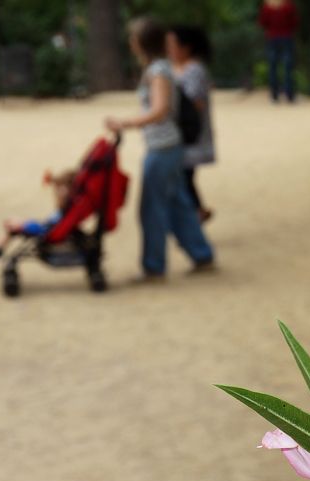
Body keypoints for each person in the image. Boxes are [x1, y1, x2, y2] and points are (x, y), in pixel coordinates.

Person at [104, 16, 215, 282]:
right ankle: (201, 254)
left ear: (140, 43)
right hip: (168, 147)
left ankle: (154, 265)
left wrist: (125, 123)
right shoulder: (162, 68)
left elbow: (160, 110)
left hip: (163, 148)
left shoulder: (157, 71)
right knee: (177, 203)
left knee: (152, 208)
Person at [167, 25, 216, 223]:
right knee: (184, 176)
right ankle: (197, 210)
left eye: (171, 45)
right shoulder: (179, 68)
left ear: (186, 48)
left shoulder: (194, 70)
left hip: (190, 133)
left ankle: (195, 212)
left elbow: (196, 102)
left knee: (183, 176)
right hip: (183, 133)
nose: (168, 49)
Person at [0, 170, 75, 259]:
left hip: (43, 230)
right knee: (12, 221)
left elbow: (50, 226)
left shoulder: (66, 207)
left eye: (60, 189)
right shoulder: (68, 206)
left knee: (12, 223)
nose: (57, 192)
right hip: (44, 227)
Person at [259, 0, 299, 103]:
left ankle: (274, 95)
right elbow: (294, 21)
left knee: (273, 67)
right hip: (286, 37)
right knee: (287, 67)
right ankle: (289, 95)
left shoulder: (267, 6)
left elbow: (262, 22)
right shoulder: (288, 5)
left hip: (272, 38)